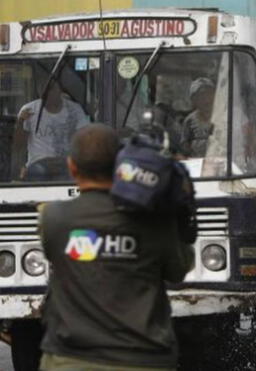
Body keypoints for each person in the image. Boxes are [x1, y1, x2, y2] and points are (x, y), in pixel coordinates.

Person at [38, 124, 194, 370]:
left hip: (70, 361)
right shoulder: (154, 220)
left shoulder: (53, 219)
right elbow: (179, 271)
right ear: (120, 166)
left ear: (72, 167)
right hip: (144, 360)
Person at [12, 80, 89, 180]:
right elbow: (18, 145)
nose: (48, 93)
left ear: (60, 90)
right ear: (40, 92)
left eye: (51, 89)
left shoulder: (74, 109)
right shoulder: (29, 109)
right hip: (38, 163)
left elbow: (85, 138)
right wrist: (21, 121)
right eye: (44, 90)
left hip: (66, 162)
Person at [181, 77, 223, 158]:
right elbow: (185, 146)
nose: (206, 99)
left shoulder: (224, 117)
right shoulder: (189, 121)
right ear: (194, 100)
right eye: (201, 95)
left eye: (209, 94)